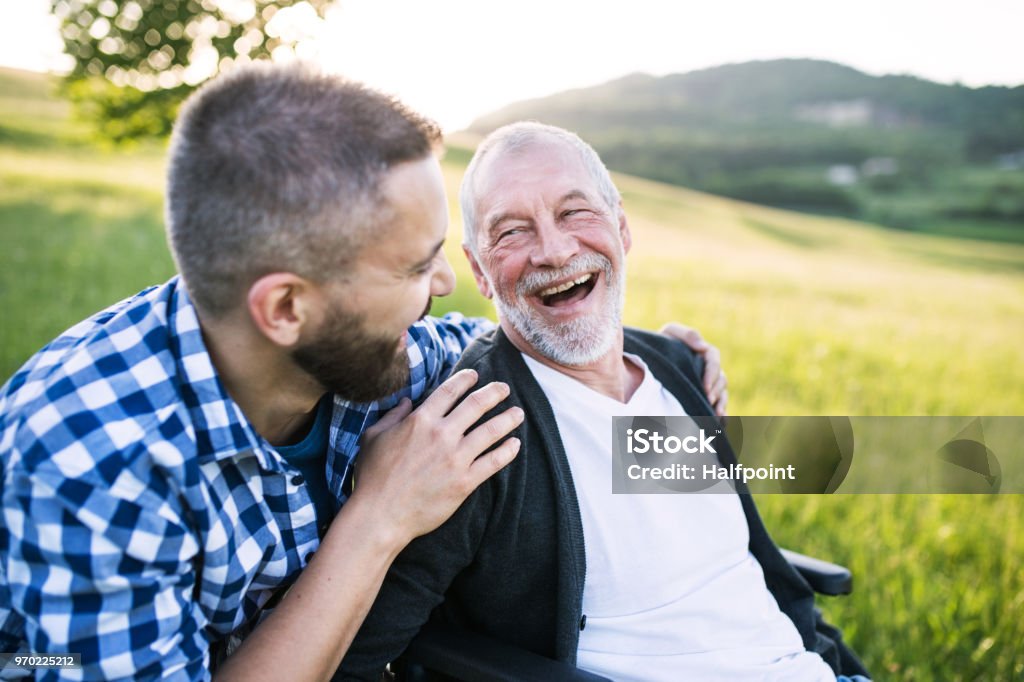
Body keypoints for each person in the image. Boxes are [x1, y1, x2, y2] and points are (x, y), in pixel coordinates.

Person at [0, 65, 724, 680]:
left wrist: (654, 362)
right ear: (286, 307)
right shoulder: (87, 463)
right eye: (415, 266)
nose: (444, 284)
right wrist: (379, 517)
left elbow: (530, 346)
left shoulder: (388, 357)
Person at [335, 123, 870, 681]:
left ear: (621, 228)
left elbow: (689, 553)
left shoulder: (675, 366)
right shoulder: (472, 433)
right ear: (480, 272)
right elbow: (360, 659)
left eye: (575, 213)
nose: (554, 249)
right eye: (513, 231)